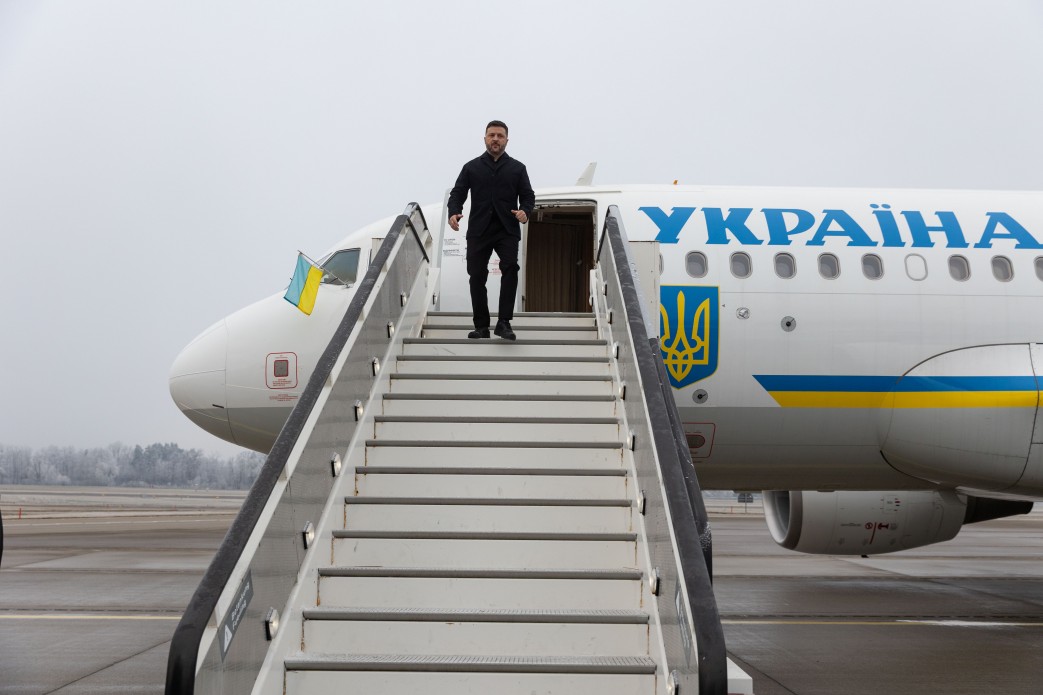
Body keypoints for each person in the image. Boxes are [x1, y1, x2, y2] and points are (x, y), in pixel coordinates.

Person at [448, 120, 535, 340]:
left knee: (510, 268)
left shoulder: (518, 168)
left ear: (507, 140)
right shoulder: (471, 167)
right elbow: (458, 193)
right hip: (479, 230)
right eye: (491, 135)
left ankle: (504, 322)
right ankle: (481, 326)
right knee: (476, 276)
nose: (495, 139)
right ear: (485, 138)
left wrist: (525, 211)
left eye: (500, 135)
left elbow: (528, 196)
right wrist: (454, 212)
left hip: (507, 229)